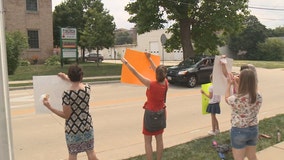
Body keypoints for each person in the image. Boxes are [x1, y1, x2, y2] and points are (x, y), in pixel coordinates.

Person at [42, 64, 99, 160]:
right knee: (90, 152)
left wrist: (50, 107)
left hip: (73, 129)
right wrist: (66, 78)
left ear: (70, 76)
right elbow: (77, 84)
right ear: (81, 76)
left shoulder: (67, 94)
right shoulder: (87, 88)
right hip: (87, 125)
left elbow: (66, 115)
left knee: (73, 154)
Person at [121, 52, 168, 160]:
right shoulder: (165, 83)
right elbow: (157, 70)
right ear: (165, 75)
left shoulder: (150, 84)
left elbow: (135, 73)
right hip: (161, 112)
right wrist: (150, 59)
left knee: (148, 141)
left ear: (157, 74)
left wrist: (126, 63)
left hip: (150, 114)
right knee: (159, 139)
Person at [225, 69, 262, 160]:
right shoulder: (258, 96)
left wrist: (229, 84)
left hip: (239, 130)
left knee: (239, 158)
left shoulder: (236, 98)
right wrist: (236, 83)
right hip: (253, 129)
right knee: (252, 156)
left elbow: (227, 98)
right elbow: (244, 94)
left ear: (242, 81)